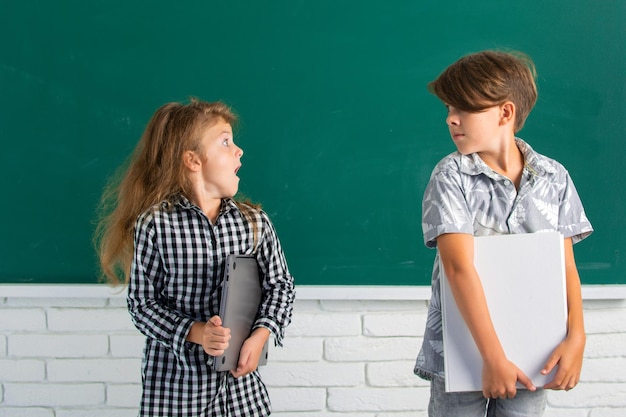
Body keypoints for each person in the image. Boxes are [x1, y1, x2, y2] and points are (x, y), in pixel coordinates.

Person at [413, 51, 593, 417]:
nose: (451, 118)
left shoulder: (553, 177)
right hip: (464, 353)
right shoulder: (450, 176)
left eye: (464, 108)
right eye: (449, 108)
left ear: (505, 113)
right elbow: (458, 268)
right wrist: (492, 357)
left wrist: (577, 336)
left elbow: (564, 267)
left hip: (534, 351)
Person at [94, 98, 295, 416]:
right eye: (225, 141)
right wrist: (197, 332)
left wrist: (261, 335)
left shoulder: (254, 223)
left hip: (242, 396)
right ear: (193, 160)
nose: (238, 150)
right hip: (178, 394)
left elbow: (280, 286)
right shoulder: (156, 225)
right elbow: (143, 305)